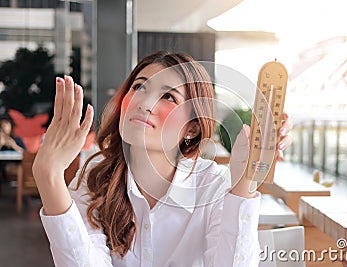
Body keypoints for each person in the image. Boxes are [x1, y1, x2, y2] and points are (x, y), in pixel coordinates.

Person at [33, 51, 293, 266]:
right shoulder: (94, 179)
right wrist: (49, 176)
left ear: (192, 127)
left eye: (168, 96)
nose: (144, 103)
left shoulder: (213, 184)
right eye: (139, 87)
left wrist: (244, 185)